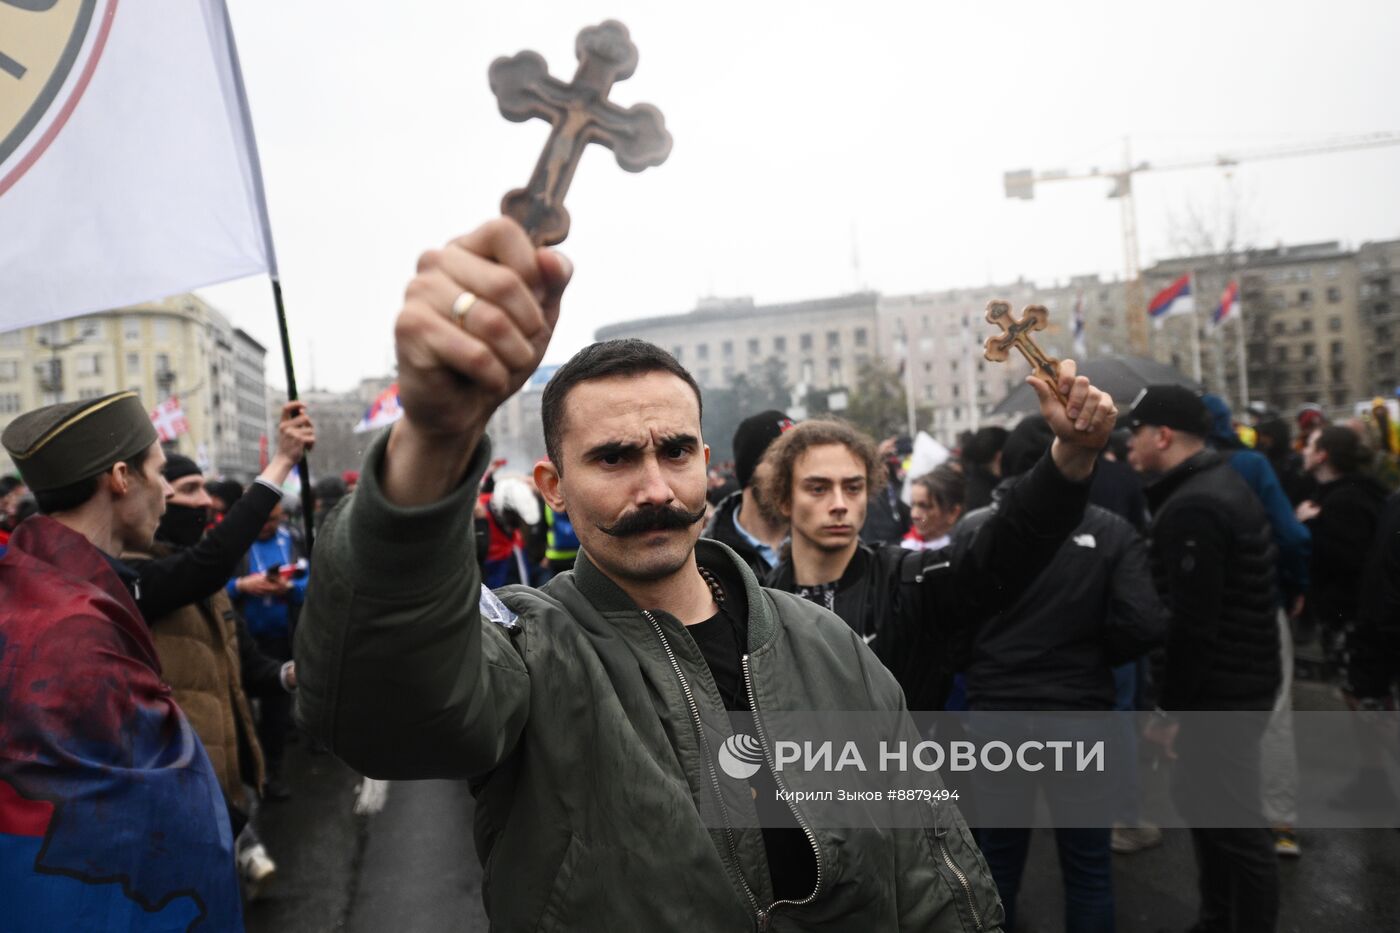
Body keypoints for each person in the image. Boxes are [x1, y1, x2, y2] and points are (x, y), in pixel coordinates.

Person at [293, 217, 1113, 931]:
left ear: (706, 464)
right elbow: (384, 710)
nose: (654, 486)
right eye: (613, 457)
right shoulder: (534, 652)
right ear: (553, 485)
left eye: (674, 451)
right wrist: (431, 441)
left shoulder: (824, 645)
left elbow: (930, 872)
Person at [0, 391, 241, 929]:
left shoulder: (31, 585)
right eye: (159, 472)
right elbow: (147, 822)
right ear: (120, 478)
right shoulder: (75, 626)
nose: (165, 490)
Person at [761, 402, 1112, 714]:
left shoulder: (909, 582)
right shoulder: (755, 607)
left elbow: (1002, 549)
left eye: (853, 487)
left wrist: (1071, 456)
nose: (839, 504)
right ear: (784, 499)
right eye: (818, 488)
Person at [957, 414, 1166, 933]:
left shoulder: (973, 527)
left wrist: (984, 661)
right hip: (1079, 716)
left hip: (997, 715)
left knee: (997, 864)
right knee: (1089, 868)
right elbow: (1144, 623)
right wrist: (1094, 655)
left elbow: (949, 622)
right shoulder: (1110, 529)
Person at [1125, 385, 1281, 933]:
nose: (1128, 445)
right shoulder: (1209, 484)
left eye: (1136, 432)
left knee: (1237, 827)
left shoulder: (1193, 504)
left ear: (1162, 436)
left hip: (1222, 694)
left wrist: (1169, 713)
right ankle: (1216, 918)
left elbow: (1193, 625)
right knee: (1205, 809)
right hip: (1237, 682)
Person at [228, 501, 308, 799]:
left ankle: (272, 774)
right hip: (239, 641)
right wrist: (241, 585)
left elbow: (311, 580)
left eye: (273, 520)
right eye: (262, 520)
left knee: (276, 713)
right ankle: (244, 774)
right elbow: (206, 583)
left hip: (280, 640)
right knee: (242, 712)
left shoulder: (293, 539)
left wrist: (290, 589)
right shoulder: (233, 542)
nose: (267, 526)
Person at [1297, 425, 1388, 663]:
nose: (1303, 451)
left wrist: (1306, 527)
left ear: (1322, 455)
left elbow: (1344, 563)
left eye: (1309, 446)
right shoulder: (1345, 492)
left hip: (1352, 622)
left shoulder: (1344, 502)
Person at [704, 409, 794, 577]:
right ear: (750, 470)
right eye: (780, 461)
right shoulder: (708, 556)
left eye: (799, 460)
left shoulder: (827, 544)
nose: (794, 472)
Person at [860, 436, 913, 547]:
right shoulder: (869, 490)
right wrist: (877, 455)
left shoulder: (901, 487)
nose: (884, 468)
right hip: (873, 547)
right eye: (882, 462)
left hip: (899, 547)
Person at [903, 464, 965, 551]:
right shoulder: (905, 548)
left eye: (924, 506)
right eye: (913, 504)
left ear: (953, 512)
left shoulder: (962, 554)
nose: (914, 515)